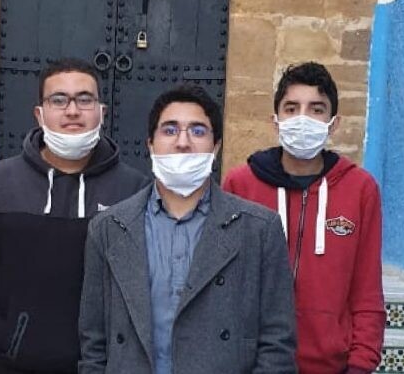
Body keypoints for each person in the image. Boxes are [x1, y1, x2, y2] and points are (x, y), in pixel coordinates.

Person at [0, 58, 150, 373]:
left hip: (101, 366)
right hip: (11, 365)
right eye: (58, 100)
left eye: (85, 99)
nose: (72, 110)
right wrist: (1, 334)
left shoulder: (135, 190)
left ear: (102, 111)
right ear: (40, 114)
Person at [79, 84, 296, 374]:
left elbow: (277, 343)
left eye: (198, 131)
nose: (183, 142)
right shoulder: (108, 228)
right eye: (169, 130)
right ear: (150, 144)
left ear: (216, 147)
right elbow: (93, 342)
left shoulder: (259, 229)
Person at [223, 62, 386, 373]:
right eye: (291, 108)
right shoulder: (240, 185)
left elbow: (367, 292)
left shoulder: (360, 189)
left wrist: (360, 365)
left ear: (333, 123)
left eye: (316, 109)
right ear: (275, 121)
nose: (302, 119)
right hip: (253, 364)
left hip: (330, 365)